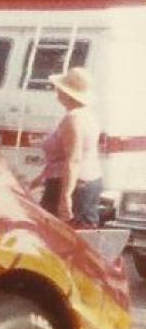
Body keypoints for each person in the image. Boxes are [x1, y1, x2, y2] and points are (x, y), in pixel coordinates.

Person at [30, 65, 102, 226]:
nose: (57, 91)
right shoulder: (88, 115)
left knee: (57, 232)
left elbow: (74, 159)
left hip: (71, 183)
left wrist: (66, 196)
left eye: (60, 89)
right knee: (81, 229)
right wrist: (42, 177)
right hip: (88, 180)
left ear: (67, 94)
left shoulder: (73, 119)